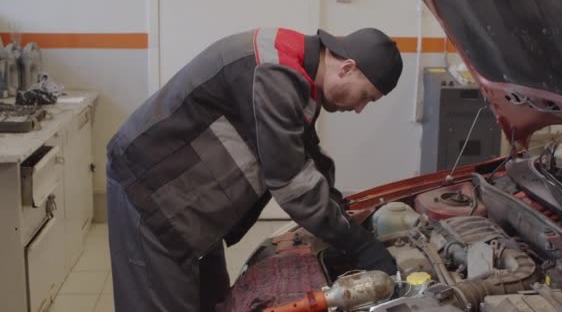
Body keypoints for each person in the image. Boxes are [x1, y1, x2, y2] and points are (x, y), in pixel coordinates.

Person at [105, 26, 403, 312]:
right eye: (365, 96)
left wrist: (341, 215)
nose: (360, 108)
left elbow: (305, 151)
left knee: (212, 301)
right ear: (347, 67)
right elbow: (291, 182)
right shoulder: (276, 73)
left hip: (187, 206)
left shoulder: (299, 72)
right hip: (149, 194)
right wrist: (356, 242)